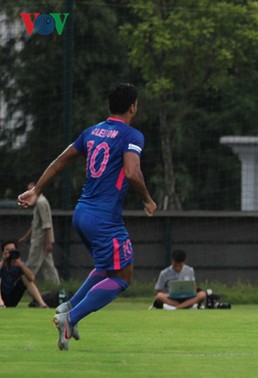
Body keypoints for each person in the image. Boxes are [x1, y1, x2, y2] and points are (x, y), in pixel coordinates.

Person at [17, 83, 157, 350]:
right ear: (133, 107)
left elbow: (59, 161)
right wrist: (148, 200)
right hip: (104, 219)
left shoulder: (92, 132)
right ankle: (71, 318)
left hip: (81, 213)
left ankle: (68, 307)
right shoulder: (132, 135)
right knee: (122, 277)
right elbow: (131, 173)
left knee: (106, 267)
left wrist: (36, 190)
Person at [18, 180, 60, 286]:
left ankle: (24, 288)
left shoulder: (41, 203)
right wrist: (25, 237)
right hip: (40, 238)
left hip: (41, 240)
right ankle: (56, 288)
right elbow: (35, 224)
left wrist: (48, 242)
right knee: (48, 266)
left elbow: (47, 225)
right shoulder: (38, 203)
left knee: (31, 265)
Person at [0, 240, 49, 308]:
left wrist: (20, 264)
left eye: (12, 250)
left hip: (11, 297)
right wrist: (3, 261)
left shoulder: (20, 263)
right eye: (7, 250)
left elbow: (31, 278)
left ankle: (42, 304)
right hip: (2, 294)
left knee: (25, 277)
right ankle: (0, 302)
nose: (10, 253)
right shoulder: (1, 263)